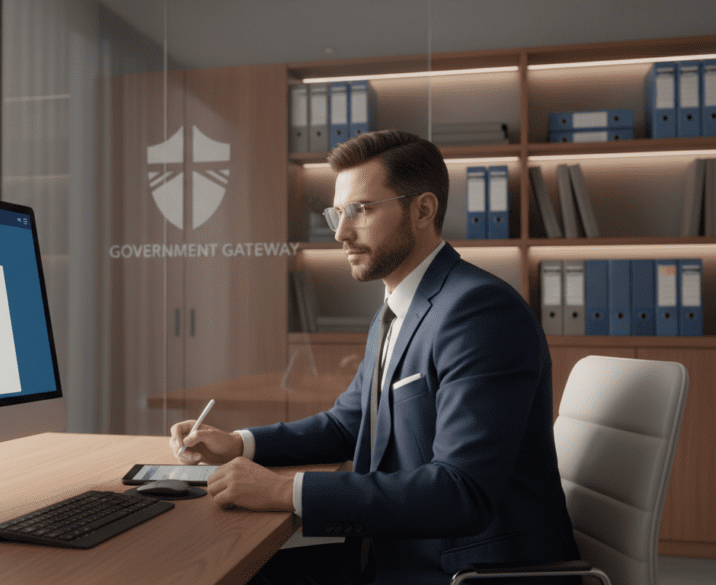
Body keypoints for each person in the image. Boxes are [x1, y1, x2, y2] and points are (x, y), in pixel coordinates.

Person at [169, 129, 580, 584]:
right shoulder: (398, 306)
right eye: (338, 213)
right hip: (396, 551)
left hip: (463, 570)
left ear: (422, 209)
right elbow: (349, 423)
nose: (342, 232)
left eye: (360, 210)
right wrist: (240, 442)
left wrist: (284, 490)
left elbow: (460, 493)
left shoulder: (479, 312)